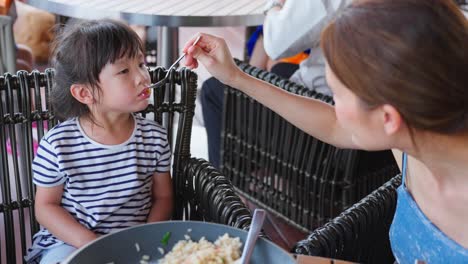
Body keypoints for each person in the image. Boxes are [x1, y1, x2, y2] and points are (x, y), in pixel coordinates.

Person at [183, 0, 468, 262]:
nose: (334, 107)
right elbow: (333, 123)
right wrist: (235, 77)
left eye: (337, 95)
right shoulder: (410, 144)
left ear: (388, 118)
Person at [25, 19, 173, 264]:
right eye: (124, 71)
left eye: (141, 64)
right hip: (71, 242)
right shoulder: (58, 145)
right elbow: (46, 207)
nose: (142, 77)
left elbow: (164, 197)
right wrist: (94, 244)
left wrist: (147, 237)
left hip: (135, 242)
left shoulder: (154, 137)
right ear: (85, 93)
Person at [201, 0, 350, 168]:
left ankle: (226, 188)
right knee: (280, 69)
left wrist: (275, 4)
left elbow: (276, 43)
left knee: (211, 90)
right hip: (343, 107)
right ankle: (262, 175)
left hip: (318, 124)